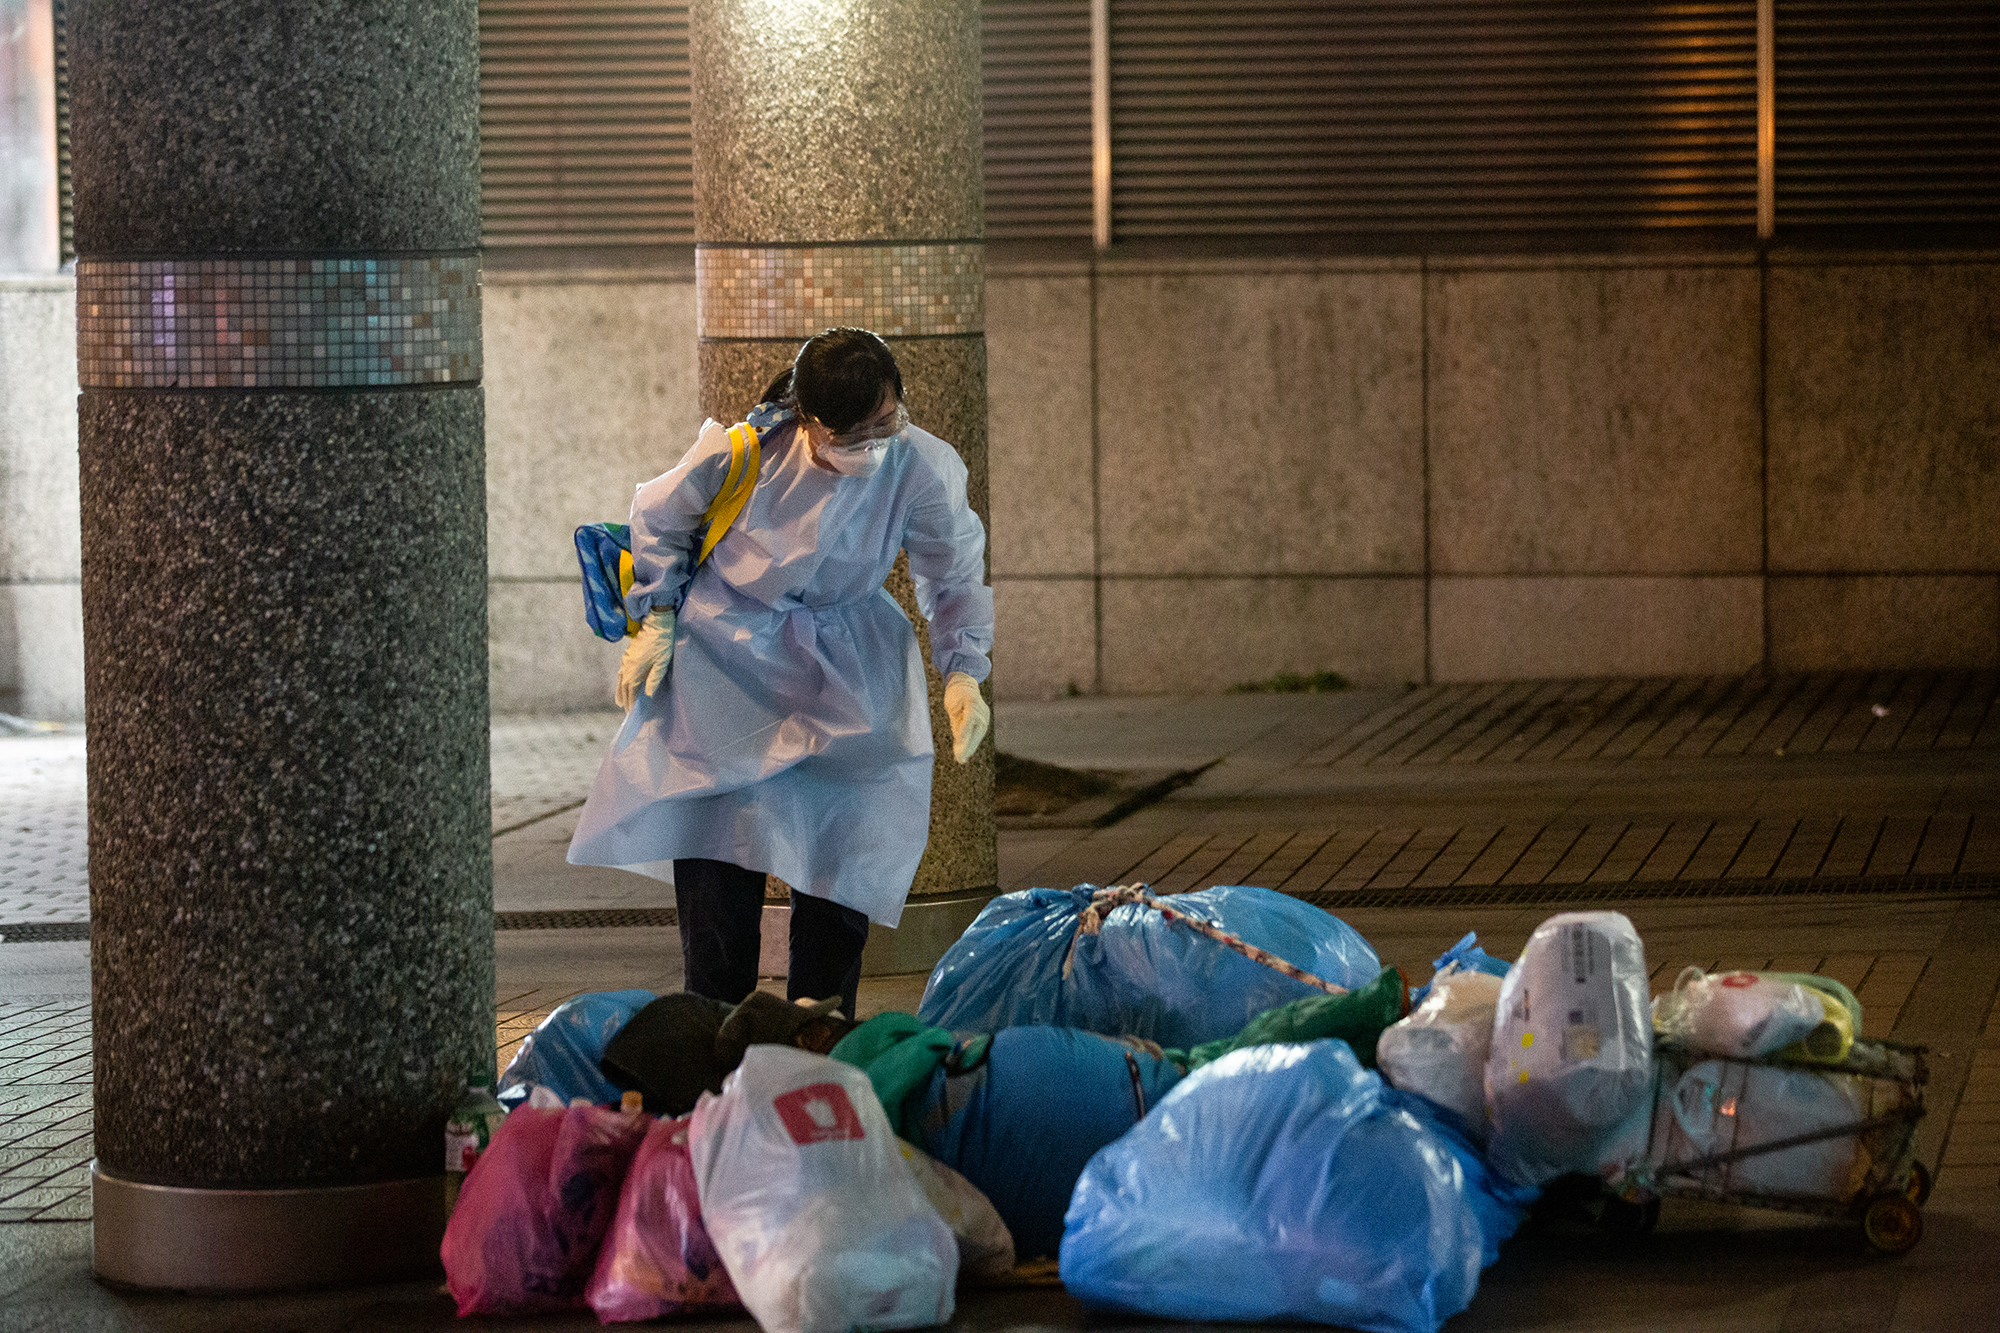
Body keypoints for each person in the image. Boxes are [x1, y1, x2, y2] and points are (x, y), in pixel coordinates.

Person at [567, 328, 993, 1019]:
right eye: (855, 435)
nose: (875, 446)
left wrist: (963, 671)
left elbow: (953, 572)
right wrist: (658, 619)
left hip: (849, 672)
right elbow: (660, 519)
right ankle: (713, 1036)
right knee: (718, 858)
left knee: (844, 853)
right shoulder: (744, 452)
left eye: (888, 421)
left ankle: (816, 1029)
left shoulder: (918, 465)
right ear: (810, 420)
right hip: (725, 664)